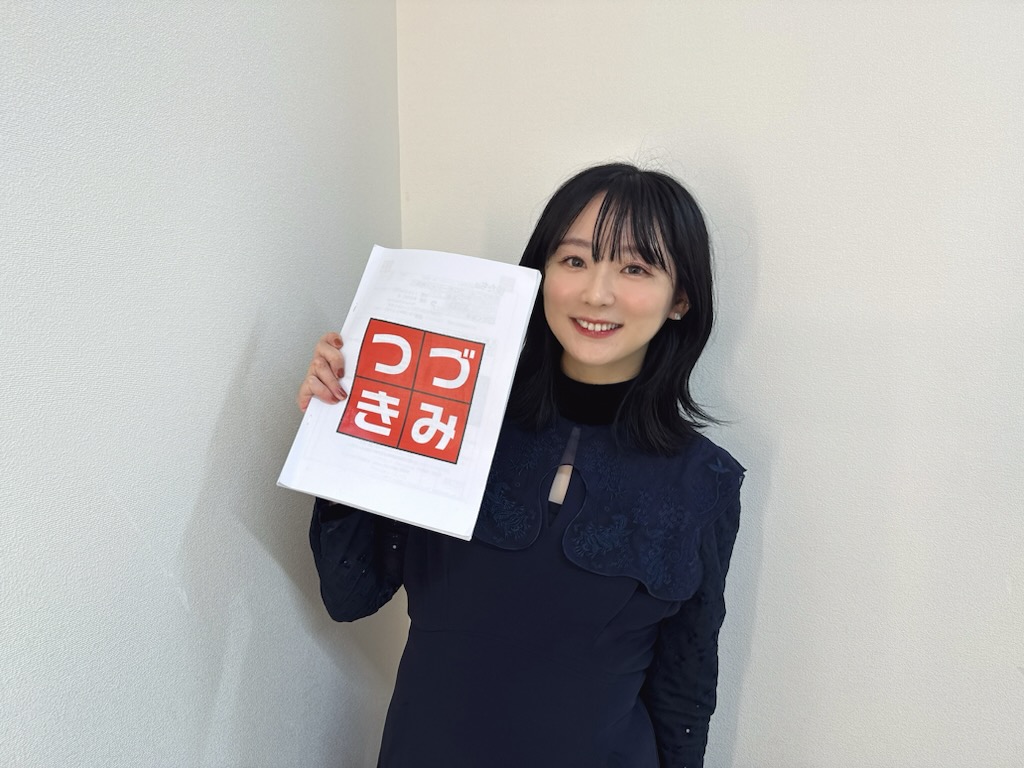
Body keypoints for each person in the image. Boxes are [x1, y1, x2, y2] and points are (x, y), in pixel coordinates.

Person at [297, 163, 745, 768]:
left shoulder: (704, 481)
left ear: (680, 299)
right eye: (575, 260)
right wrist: (340, 426)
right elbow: (349, 593)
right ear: (539, 274)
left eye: (636, 268)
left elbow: (683, 695)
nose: (597, 293)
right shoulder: (444, 415)